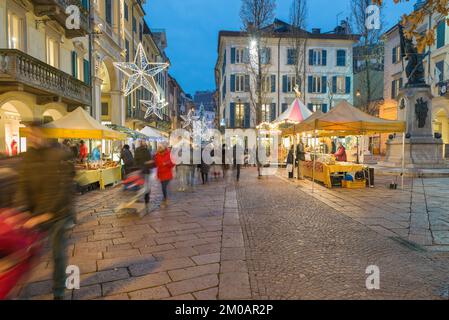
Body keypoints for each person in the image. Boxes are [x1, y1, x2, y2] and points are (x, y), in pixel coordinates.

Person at [16, 123, 75, 300]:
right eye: (29, 134)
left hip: (58, 213)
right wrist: (23, 209)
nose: (31, 137)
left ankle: (59, 292)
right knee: (24, 254)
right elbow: (23, 183)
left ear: (43, 134)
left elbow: (65, 187)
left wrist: (47, 213)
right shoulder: (28, 157)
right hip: (35, 213)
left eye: (34, 133)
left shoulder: (61, 154)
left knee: (58, 254)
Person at [154, 142, 175, 208]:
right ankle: (165, 198)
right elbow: (156, 164)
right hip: (160, 174)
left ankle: (165, 199)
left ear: (164, 147)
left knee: (164, 187)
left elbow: (173, 163)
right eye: (158, 147)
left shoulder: (169, 154)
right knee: (164, 187)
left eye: (160, 147)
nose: (159, 148)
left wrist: (166, 163)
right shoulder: (156, 155)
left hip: (167, 173)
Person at [134, 140, 152, 208]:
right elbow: (149, 160)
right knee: (146, 184)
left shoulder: (137, 150)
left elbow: (135, 160)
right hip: (146, 170)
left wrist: (137, 168)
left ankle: (138, 197)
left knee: (140, 184)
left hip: (139, 170)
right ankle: (146, 199)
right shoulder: (146, 150)